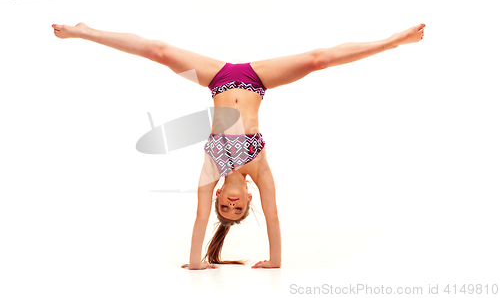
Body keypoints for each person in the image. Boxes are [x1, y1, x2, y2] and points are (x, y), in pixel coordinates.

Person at [52, 22, 425, 270]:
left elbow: (200, 219)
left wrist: (197, 262)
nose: (231, 204)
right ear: (247, 200)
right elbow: (275, 219)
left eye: (225, 208)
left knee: (159, 51)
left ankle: (84, 32)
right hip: (256, 81)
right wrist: (274, 262)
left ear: (218, 199)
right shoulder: (258, 170)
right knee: (317, 60)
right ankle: (393, 42)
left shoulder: (210, 172)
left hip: (217, 79)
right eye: (238, 208)